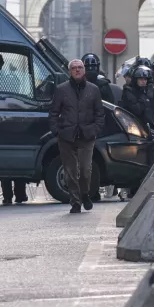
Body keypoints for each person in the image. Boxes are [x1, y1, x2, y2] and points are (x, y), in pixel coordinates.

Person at [48, 59, 106, 214]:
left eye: (80, 67)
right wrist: (56, 131)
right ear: (70, 71)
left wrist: (95, 129)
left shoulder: (93, 90)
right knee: (70, 171)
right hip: (66, 136)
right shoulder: (62, 90)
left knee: (86, 169)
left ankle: (85, 193)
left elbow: (100, 113)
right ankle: (75, 201)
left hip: (87, 136)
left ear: (84, 70)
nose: (77, 70)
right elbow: (53, 112)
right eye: (74, 68)